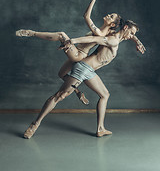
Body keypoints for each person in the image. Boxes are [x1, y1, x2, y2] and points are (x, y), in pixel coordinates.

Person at [16, 19, 145, 139]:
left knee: (105, 95)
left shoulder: (117, 35)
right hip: (83, 68)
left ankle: (100, 128)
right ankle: (35, 124)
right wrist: (73, 41)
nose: (131, 35)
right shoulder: (113, 40)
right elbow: (91, 39)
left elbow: (130, 35)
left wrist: (137, 41)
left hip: (90, 71)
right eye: (131, 33)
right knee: (59, 96)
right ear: (126, 27)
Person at [16, 0, 123, 105]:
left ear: (112, 24)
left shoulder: (99, 34)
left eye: (111, 16)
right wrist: (136, 40)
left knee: (62, 35)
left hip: (78, 55)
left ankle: (31, 33)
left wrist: (93, 0)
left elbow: (86, 16)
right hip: (77, 53)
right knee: (61, 74)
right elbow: (124, 33)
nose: (108, 15)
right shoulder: (101, 31)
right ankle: (78, 92)